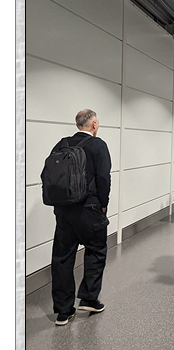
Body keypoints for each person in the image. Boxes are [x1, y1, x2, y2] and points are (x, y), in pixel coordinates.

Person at [49, 109, 112, 325]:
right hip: (90, 208)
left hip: (64, 210)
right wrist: (103, 203)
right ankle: (89, 298)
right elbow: (103, 178)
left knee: (62, 257)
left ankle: (63, 311)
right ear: (94, 124)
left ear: (78, 125)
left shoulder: (62, 144)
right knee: (96, 250)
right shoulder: (98, 145)